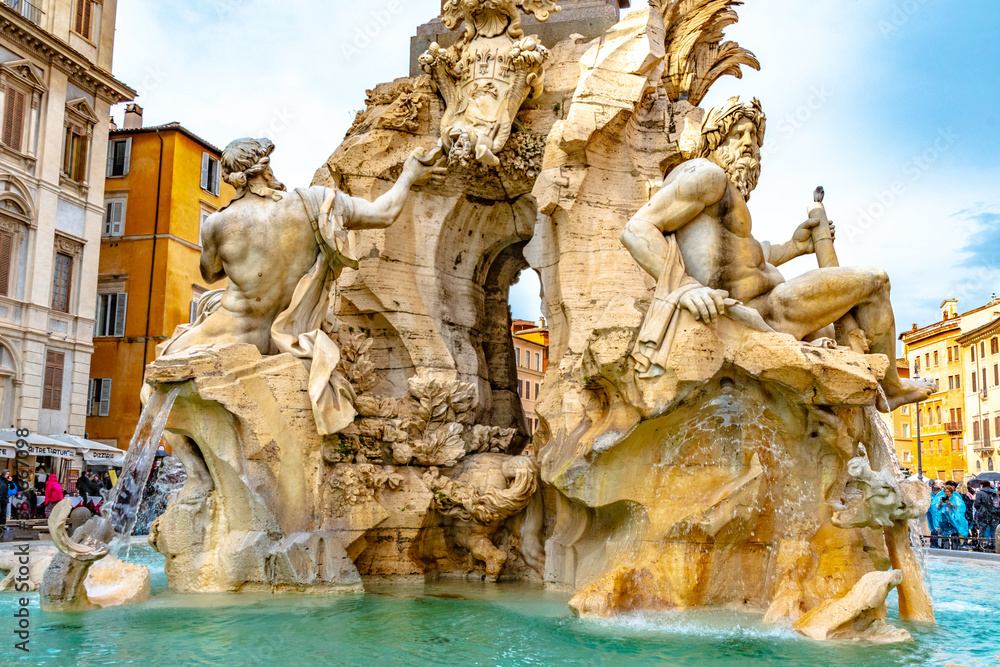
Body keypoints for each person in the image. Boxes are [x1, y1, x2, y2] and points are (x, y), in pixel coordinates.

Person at [619, 97, 936, 410]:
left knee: (837, 333)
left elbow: (748, 259)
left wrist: (795, 247)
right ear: (713, 142)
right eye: (737, 134)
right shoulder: (706, 176)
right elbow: (637, 230)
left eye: (754, 139)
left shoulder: (722, 199)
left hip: (771, 303)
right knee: (875, 281)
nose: (749, 145)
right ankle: (892, 388)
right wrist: (685, 288)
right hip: (768, 309)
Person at [160, 138, 446, 436]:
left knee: (156, 382)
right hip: (283, 340)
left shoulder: (218, 223)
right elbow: (382, 214)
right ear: (266, 168)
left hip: (227, 336)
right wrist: (410, 173)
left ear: (232, 178)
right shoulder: (316, 202)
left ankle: (197, 475)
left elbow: (209, 274)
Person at [933, 482, 968, 549]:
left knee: (954, 534)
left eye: (948, 491)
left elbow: (959, 508)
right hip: (944, 518)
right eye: (945, 491)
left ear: (951, 491)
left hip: (953, 519)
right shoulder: (941, 498)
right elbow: (936, 507)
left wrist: (950, 504)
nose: (947, 493)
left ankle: (955, 548)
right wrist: (940, 504)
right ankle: (946, 548)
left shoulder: (956, 498)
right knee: (945, 534)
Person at [974, 481, 1000, 551]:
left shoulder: (980, 493)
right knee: (995, 531)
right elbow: (997, 504)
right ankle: (996, 546)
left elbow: (976, 504)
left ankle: (982, 546)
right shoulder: (994, 493)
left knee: (982, 531)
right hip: (994, 515)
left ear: (982, 485)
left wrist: (981, 508)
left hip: (984, 515)